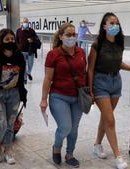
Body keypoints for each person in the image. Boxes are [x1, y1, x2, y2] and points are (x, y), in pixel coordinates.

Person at [87, 12, 130, 169]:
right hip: (100, 82)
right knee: (110, 119)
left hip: (115, 82)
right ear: (104, 26)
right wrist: (90, 90)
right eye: (111, 23)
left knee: (106, 117)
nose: (115, 25)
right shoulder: (97, 44)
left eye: (117, 23)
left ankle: (97, 145)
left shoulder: (120, 42)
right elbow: (90, 69)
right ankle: (118, 157)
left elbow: (118, 63)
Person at [40, 23, 87, 168]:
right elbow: (48, 78)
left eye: (74, 34)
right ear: (60, 36)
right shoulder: (53, 54)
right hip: (59, 96)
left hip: (78, 96)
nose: (72, 37)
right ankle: (56, 147)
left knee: (74, 128)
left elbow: (84, 73)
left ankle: (70, 154)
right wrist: (43, 99)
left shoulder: (81, 52)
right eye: (68, 34)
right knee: (66, 126)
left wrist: (89, 93)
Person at [0, 28, 27, 164]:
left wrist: (22, 94)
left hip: (14, 94)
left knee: (10, 124)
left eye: (12, 39)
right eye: (7, 39)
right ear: (1, 40)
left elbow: (21, 77)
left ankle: (8, 148)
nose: (10, 41)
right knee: (1, 124)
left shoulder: (19, 57)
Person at [16, 18, 39, 82]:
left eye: (26, 22)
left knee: (30, 64)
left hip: (30, 51)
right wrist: (18, 48)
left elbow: (36, 38)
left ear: (28, 23)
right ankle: (25, 78)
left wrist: (32, 39)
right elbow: (16, 40)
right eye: (24, 22)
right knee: (23, 65)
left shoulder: (31, 31)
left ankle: (29, 73)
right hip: (22, 51)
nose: (25, 23)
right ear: (22, 23)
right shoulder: (18, 30)